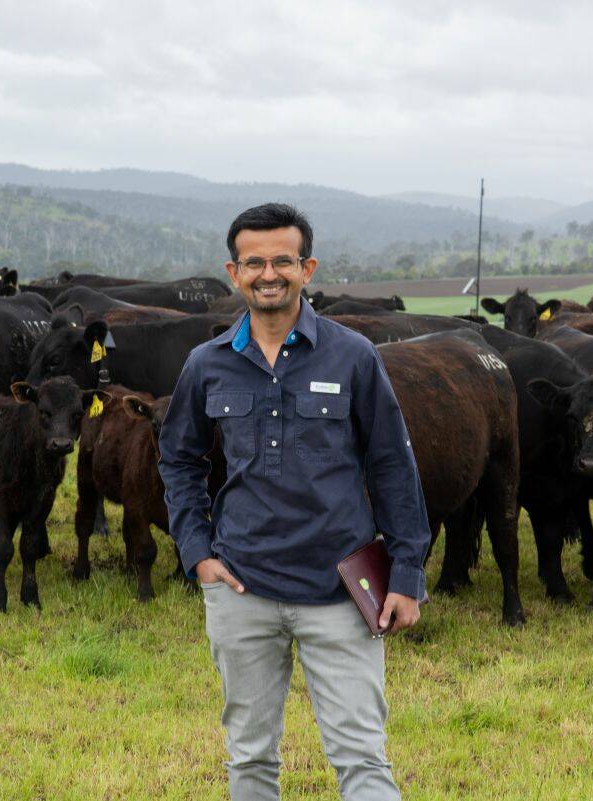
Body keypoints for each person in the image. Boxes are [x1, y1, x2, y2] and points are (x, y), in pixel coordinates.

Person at [158, 202, 431, 800]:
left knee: (361, 757)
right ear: (234, 273)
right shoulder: (206, 366)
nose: (268, 273)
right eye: (253, 263)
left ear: (307, 268)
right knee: (250, 759)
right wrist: (197, 550)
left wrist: (407, 572)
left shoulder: (353, 355)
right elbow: (179, 459)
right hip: (241, 588)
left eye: (283, 260)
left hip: (340, 586)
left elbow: (392, 465)